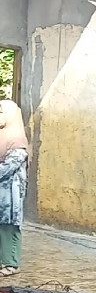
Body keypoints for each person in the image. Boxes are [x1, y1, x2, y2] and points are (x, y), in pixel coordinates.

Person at [0, 100, 29, 277]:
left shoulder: (17, 142)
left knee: (9, 228)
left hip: (10, 196)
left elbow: (8, 167)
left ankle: (11, 263)